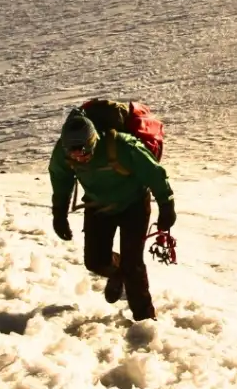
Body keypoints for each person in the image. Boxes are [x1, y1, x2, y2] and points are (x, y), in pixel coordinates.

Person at [49, 112, 175, 321]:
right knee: (95, 261)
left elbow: (154, 172)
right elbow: (61, 180)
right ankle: (118, 273)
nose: (78, 157)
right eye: (73, 154)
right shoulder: (63, 154)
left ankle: (145, 319)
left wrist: (166, 204)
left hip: (133, 204)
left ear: (93, 141)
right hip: (98, 206)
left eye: (83, 151)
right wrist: (59, 214)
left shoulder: (122, 146)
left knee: (133, 264)